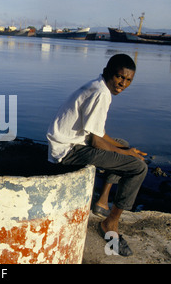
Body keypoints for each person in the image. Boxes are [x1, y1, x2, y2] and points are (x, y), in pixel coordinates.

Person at [46, 54, 148, 257]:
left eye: (128, 80)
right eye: (120, 77)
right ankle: (110, 223)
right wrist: (126, 154)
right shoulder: (101, 93)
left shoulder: (98, 86)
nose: (123, 84)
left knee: (124, 145)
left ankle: (102, 201)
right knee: (138, 168)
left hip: (70, 144)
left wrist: (124, 149)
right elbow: (96, 142)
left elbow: (98, 133)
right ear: (109, 72)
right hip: (68, 152)